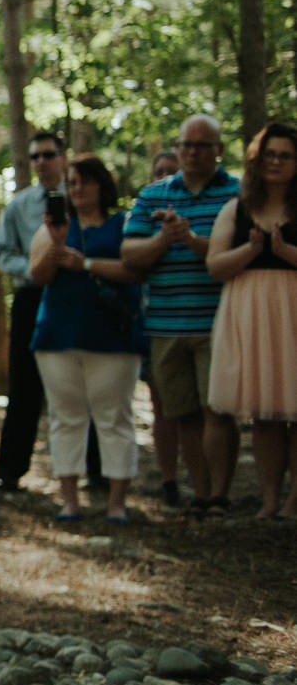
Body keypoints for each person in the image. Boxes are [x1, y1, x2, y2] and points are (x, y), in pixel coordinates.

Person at [122, 114, 241, 517]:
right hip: (165, 325)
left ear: (218, 150)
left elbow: (244, 251)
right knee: (184, 413)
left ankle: (220, 496)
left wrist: (193, 241)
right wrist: (163, 239)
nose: (190, 152)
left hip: (219, 323)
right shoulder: (153, 195)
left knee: (218, 411)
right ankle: (201, 493)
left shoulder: (239, 194)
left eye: (200, 145)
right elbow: (129, 254)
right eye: (184, 145)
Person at [28, 156, 146, 522]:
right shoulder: (53, 228)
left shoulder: (124, 223)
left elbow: (136, 270)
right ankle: (69, 501)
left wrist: (87, 264)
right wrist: (57, 243)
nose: (77, 190)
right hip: (58, 335)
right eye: (72, 183)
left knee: (114, 417)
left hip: (113, 335)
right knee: (66, 418)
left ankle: (116, 504)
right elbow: (39, 276)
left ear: (102, 185)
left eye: (84, 182)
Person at [205, 122, 297, 520]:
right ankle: (270, 499)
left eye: (285, 156)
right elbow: (214, 264)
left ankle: (296, 501)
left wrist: (285, 251)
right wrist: (251, 249)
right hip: (252, 314)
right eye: (269, 155)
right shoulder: (237, 207)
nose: (276, 163)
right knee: (265, 413)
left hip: (293, 309)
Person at [0, 131, 68, 494]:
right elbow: (2, 252)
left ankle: (91, 470)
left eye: (48, 155)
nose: (41, 162)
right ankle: (10, 472)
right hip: (30, 299)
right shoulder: (19, 205)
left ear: (63, 158)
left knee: (76, 387)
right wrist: (35, 266)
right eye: (35, 157)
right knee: (23, 388)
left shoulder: (81, 196)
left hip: (74, 296)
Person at [141, 150, 185, 506]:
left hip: (204, 320)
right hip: (156, 323)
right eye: (160, 172)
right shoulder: (141, 216)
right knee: (163, 407)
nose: (165, 177)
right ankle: (170, 480)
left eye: (172, 171)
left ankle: (208, 486)